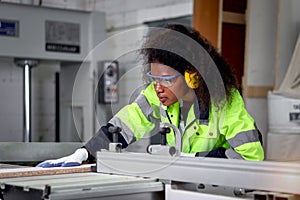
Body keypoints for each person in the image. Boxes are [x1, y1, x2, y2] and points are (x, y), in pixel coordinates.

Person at [37, 24, 264, 168]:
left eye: (167, 79)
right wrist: (84, 153)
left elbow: (251, 156)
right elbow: (125, 125)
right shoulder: (158, 94)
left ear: (192, 77)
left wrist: (197, 161)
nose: (158, 88)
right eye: (153, 79)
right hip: (179, 185)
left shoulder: (225, 100)